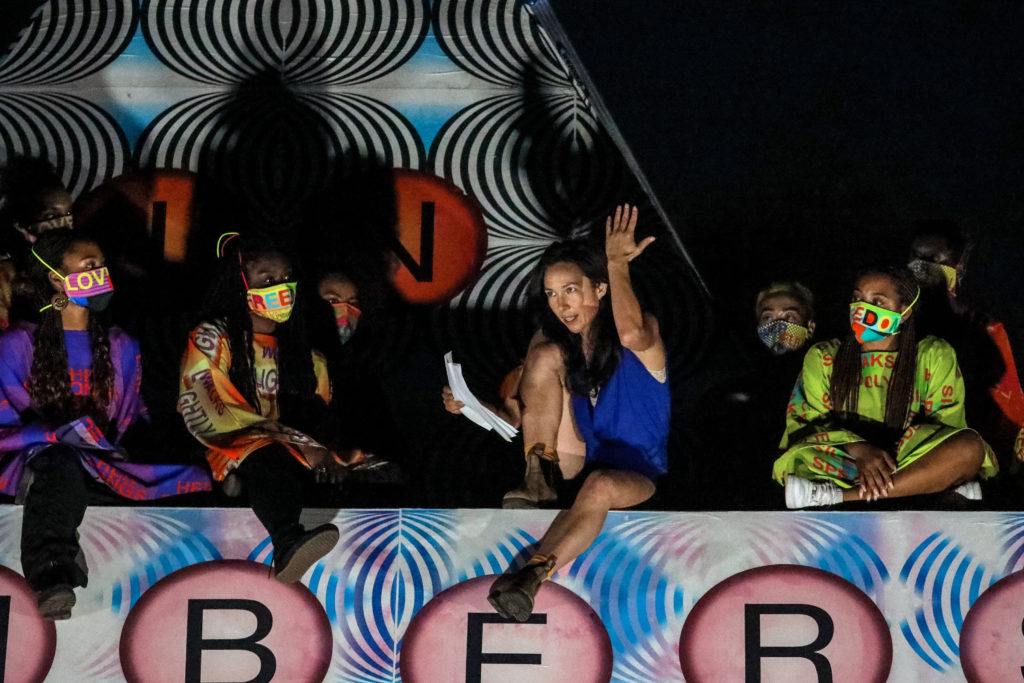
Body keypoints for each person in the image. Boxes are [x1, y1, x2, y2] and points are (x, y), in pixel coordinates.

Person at [0, 230, 210, 619]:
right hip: (33, 463)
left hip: (101, 461)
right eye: (89, 265)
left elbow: (134, 416)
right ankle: (51, 577)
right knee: (61, 460)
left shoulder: (120, 345)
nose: (100, 272)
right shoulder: (17, 343)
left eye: (102, 264)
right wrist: (47, 434)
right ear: (55, 277)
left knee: (195, 475)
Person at [487, 204, 670, 622]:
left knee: (601, 485)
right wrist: (472, 407)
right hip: (576, 458)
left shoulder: (643, 334)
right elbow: (517, 414)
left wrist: (617, 264)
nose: (561, 304)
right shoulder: (557, 346)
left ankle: (532, 577)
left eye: (570, 289)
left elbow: (629, 332)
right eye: (552, 294)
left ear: (599, 289)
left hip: (635, 473)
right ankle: (539, 477)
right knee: (543, 351)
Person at [177, 233, 346, 583]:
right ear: (240, 284)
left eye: (285, 278)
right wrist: (294, 443)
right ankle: (287, 542)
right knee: (266, 458)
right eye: (267, 280)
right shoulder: (213, 338)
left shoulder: (308, 357)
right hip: (227, 451)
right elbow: (207, 405)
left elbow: (319, 416)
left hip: (296, 454)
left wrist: (329, 451)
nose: (280, 287)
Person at [774, 264, 998, 508]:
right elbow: (805, 425)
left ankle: (834, 496)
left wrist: (885, 457)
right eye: (857, 298)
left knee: (968, 447)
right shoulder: (824, 357)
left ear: (905, 311)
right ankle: (923, 484)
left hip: (904, 459)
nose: (862, 309)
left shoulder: (933, 354)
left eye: (877, 302)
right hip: (847, 461)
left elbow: (948, 425)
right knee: (802, 455)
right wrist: (860, 451)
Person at [908, 223, 1024, 502]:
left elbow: (1008, 405)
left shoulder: (985, 329)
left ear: (958, 267)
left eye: (936, 260)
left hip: (969, 460)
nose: (923, 266)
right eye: (917, 257)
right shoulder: (893, 323)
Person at [693, 281, 816, 509]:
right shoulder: (729, 388)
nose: (778, 325)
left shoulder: (826, 380)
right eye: (768, 318)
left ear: (810, 327)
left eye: (790, 317)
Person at [0, 156, 75, 329]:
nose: (65, 224)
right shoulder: (5, 275)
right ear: (21, 225)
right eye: (52, 216)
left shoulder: (80, 263)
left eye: (69, 214)